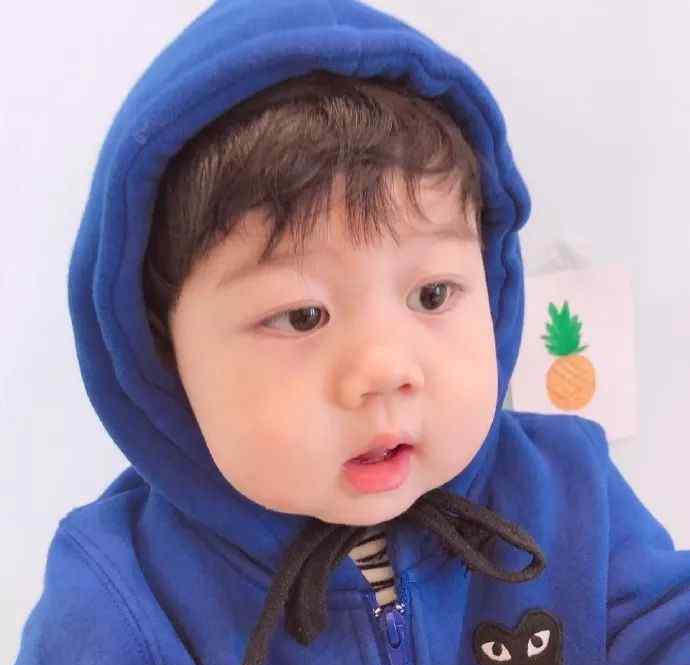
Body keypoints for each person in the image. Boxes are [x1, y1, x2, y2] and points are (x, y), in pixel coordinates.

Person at [14, 1, 690, 664]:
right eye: (302, 316)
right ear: (163, 351)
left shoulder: (573, 492)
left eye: (432, 294)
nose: (386, 369)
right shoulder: (116, 599)